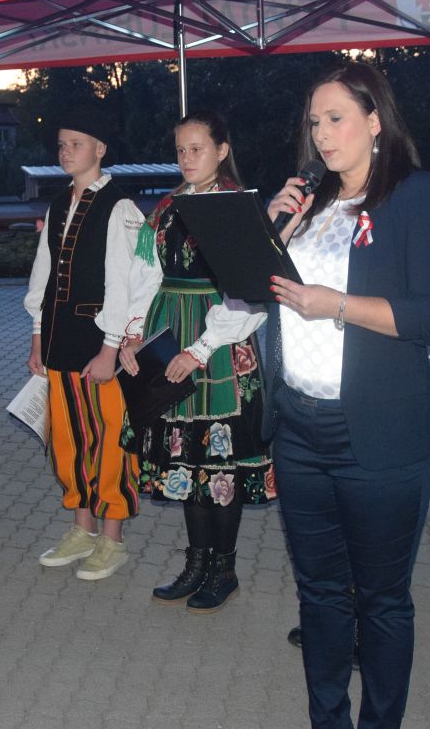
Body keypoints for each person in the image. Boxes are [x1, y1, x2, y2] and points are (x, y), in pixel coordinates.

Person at [263, 63, 430, 729]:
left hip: (377, 434)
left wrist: (337, 305)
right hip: (298, 428)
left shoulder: (416, 194)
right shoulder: (309, 203)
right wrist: (271, 230)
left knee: (381, 600)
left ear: (375, 121)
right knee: (320, 596)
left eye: (336, 118)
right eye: (314, 122)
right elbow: (245, 293)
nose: (322, 134)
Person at [119, 110, 272, 612]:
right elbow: (145, 276)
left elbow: (250, 295)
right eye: (181, 150)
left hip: (218, 343)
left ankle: (223, 570)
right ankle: (196, 563)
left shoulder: (236, 208)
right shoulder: (166, 208)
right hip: (170, 334)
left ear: (222, 150)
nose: (186, 158)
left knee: (218, 465)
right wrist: (133, 335)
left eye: (197, 149)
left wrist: (201, 349)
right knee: (186, 458)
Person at [25, 109, 143, 581]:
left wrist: (110, 348)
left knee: (110, 439)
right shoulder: (57, 205)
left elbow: (125, 283)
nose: (66, 151)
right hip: (59, 342)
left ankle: (113, 539)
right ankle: (82, 528)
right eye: (61, 144)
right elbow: (42, 277)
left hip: (98, 346)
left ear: (100, 149)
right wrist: (37, 338)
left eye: (76, 143)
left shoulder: (120, 206)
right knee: (68, 439)